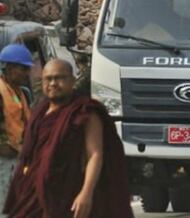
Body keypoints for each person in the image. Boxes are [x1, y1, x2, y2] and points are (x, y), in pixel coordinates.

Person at [4, 59, 133, 218]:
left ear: (72, 81)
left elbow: (95, 154)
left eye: (60, 78)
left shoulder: (85, 111)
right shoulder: (39, 112)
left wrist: (86, 193)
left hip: (70, 191)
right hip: (37, 191)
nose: (53, 83)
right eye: (48, 79)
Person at [0, 44, 33, 208]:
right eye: (23, 69)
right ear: (10, 67)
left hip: (16, 157)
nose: (27, 74)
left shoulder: (20, 92)